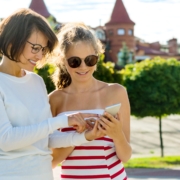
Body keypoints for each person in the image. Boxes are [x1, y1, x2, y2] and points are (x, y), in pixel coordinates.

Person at [0, 9, 102, 180]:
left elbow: (46, 137)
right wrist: (62, 121)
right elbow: (6, 140)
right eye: (35, 48)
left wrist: (85, 135)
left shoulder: (36, 81)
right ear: (11, 41)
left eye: (43, 49)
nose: (40, 56)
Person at [49, 22, 132, 180]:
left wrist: (116, 134)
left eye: (90, 59)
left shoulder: (116, 92)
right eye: (75, 61)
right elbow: (52, 161)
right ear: (63, 60)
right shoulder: (54, 100)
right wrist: (81, 135)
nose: (83, 67)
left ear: (97, 56)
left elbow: (126, 156)